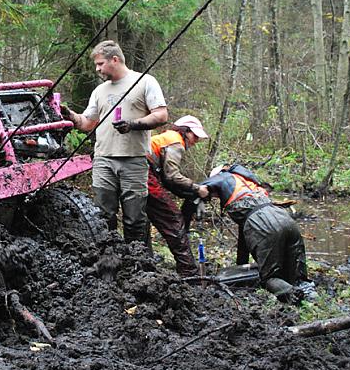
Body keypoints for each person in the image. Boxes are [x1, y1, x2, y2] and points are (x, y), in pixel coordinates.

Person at [61, 40, 169, 245]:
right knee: (103, 215)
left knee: (135, 217)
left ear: (115, 59)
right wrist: (71, 116)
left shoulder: (145, 81)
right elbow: (87, 123)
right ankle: (109, 259)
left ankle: (137, 262)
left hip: (133, 159)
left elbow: (161, 115)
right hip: (103, 159)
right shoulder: (99, 91)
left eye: (100, 64)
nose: (97, 68)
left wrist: (133, 124)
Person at [201, 164, 316, 303]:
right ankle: (312, 301)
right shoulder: (249, 186)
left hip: (264, 225)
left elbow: (248, 231)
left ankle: (294, 295)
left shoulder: (225, 179)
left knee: (268, 278)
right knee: (298, 275)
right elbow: (243, 238)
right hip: (286, 219)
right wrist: (240, 266)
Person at [146, 115, 210, 276]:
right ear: (185, 131)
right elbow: (172, 176)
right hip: (144, 173)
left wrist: (188, 193)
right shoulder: (176, 142)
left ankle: (145, 261)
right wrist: (197, 188)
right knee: (172, 217)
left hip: (140, 171)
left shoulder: (166, 137)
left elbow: (168, 180)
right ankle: (188, 270)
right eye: (194, 136)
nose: (196, 141)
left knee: (140, 220)